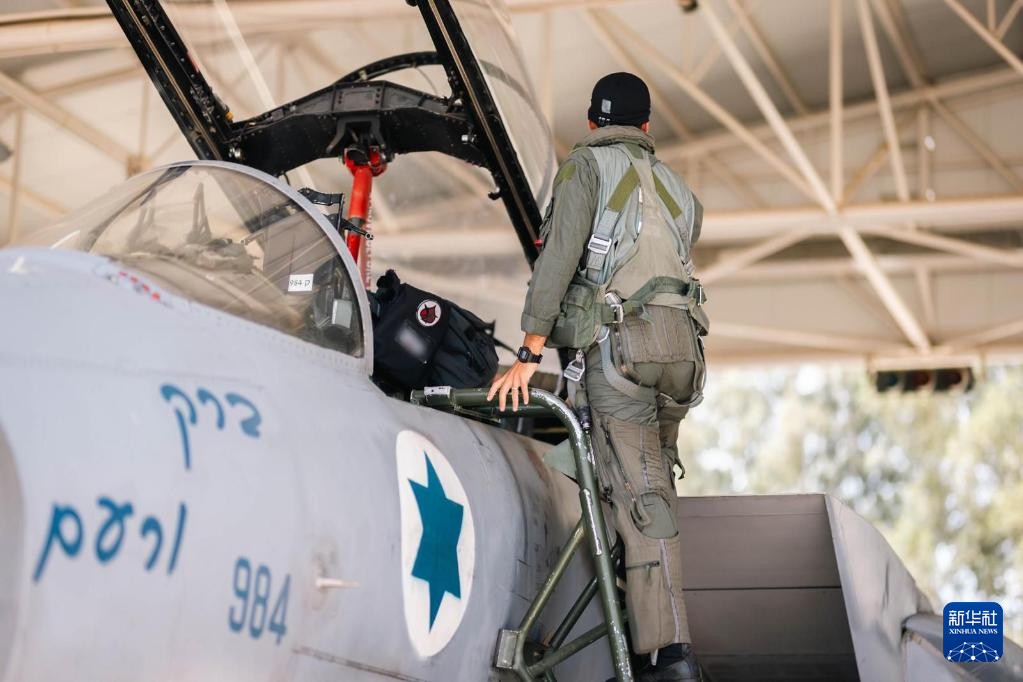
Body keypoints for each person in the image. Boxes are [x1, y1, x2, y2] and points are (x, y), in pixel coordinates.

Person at [488, 72, 707, 682]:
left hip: (624, 352)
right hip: (683, 357)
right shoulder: (677, 186)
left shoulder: (584, 169)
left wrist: (529, 352)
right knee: (639, 484)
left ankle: (667, 655)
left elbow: (558, 261)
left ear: (591, 123)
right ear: (646, 126)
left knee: (642, 500)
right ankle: (625, 638)